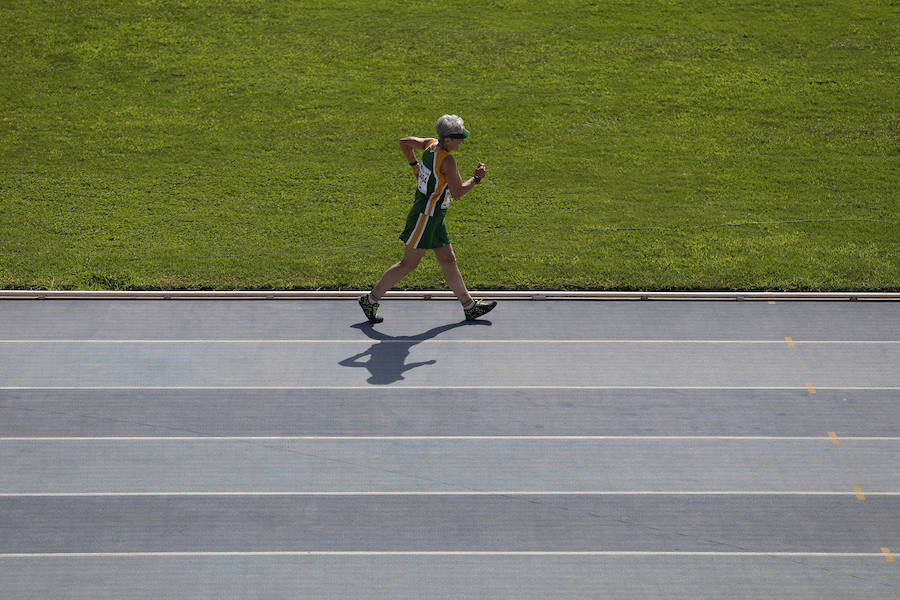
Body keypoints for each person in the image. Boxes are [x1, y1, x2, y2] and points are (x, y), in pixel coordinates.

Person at [358, 114, 496, 324]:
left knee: (448, 259)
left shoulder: (431, 144)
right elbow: (458, 192)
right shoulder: (448, 161)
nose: (463, 141)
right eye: (459, 137)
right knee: (408, 264)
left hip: (435, 215)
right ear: (448, 139)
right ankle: (370, 299)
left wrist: (414, 165)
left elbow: (405, 143)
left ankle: (469, 306)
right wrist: (477, 178)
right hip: (426, 216)